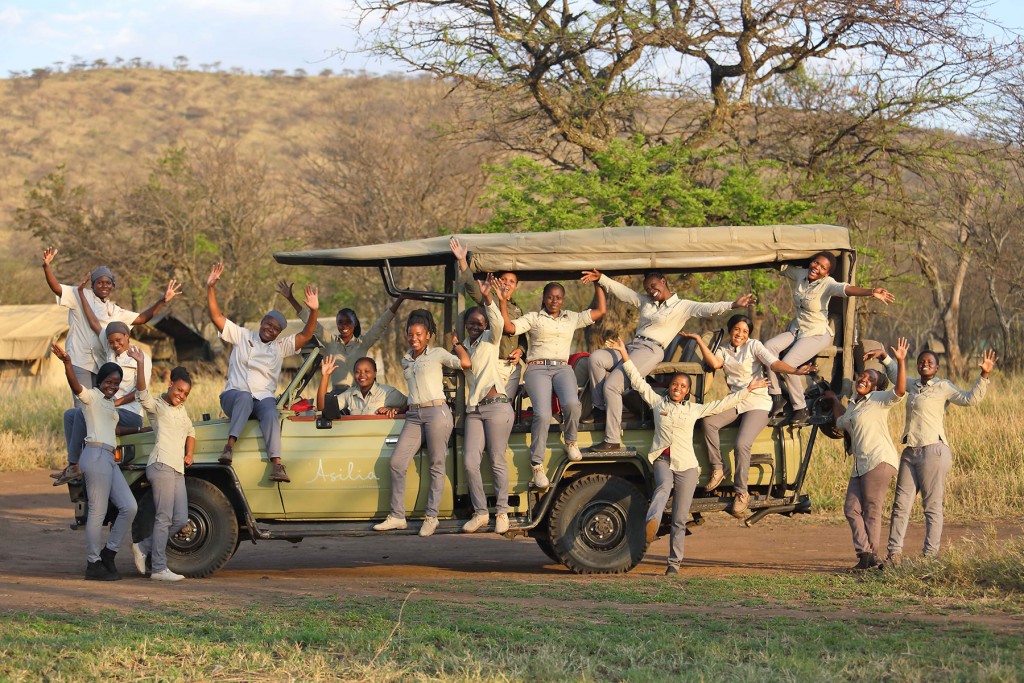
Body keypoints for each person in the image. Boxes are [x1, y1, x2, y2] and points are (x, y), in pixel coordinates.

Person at [604, 338, 766, 576]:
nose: (677, 388)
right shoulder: (658, 402)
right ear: (669, 387)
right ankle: (653, 522)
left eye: (682, 386)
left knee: (680, 518)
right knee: (662, 487)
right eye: (674, 385)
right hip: (663, 460)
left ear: (687, 391)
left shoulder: (694, 409)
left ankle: (674, 564)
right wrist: (624, 355)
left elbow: (722, 403)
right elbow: (639, 383)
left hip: (687, 467)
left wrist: (747, 390)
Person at [582, 269, 755, 452]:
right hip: (633, 346)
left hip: (651, 350)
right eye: (647, 288)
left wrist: (734, 304)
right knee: (596, 358)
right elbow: (624, 292)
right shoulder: (646, 302)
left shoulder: (682, 306)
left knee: (612, 385)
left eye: (654, 285)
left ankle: (612, 439)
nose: (650, 290)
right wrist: (601, 278)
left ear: (664, 281)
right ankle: (600, 410)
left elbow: (708, 308)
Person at [864, 346, 997, 563]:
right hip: (910, 452)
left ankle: (929, 557)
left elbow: (969, 399)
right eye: (921, 361)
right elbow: (897, 376)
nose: (925, 364)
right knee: (900, 505)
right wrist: (885, 357)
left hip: (933, 451)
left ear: (936, 367)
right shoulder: (914, 386)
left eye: (930, 362)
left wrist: (984, 375)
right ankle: (894, 555)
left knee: (931, 506)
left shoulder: (943, 386)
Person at [683, 315, 816, 515]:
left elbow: (774, 363)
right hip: (736, 399)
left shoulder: (754, 345)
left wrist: (795, 371)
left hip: (758, 401)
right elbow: (715, 363)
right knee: (708, 423)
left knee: (742, 444)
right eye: (737, 329)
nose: (740, 334)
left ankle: (741, 493)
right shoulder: (724, 349)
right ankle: (718, 468)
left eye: (745, 331)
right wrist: (699, 340)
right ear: (730, 330)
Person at [206, 262, 320, 483]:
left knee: (270, 408)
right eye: (268, 324)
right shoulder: (242, 335)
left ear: (279, 333)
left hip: (261, 400)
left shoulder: (279, 347)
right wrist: (210, 287)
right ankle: (229, 447)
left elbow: (307, 334)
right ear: (262, 322)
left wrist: (314, 311)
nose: (271, 329)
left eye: (276, 328)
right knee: (244, 397)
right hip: (234, 396)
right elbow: (216, 316)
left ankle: (277, 465)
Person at [499, 278, 607, 487]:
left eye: (558, 297)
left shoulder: (571, 318)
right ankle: (537, 464)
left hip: (562, 367)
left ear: (563, 299)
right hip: (537, 367)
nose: (554, 301)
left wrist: (598, 283)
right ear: (544, 298)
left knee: (572, 405)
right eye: (550, 297)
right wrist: (503, 302)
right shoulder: (533, 318)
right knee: (543, 413)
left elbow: (600, 310)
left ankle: (571, 441)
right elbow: (510, 328)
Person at [765, 252, 895, 424]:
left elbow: (846, 289)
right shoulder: (802, 274)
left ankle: (800, 407)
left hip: (816, 333)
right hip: (797, 329)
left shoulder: (828, 284)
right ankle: (776, 396)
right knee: (767, 348)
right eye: (816, 263)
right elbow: (782, 268)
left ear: (827, 273)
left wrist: (871, 292)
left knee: (788, 364)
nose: (816, 268)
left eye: (822, 268)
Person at [373, 310, 472, 537]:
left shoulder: (437, 353)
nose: (414, 338)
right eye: (410, 334)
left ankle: (432, 516)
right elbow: (413, 393)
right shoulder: (406, 359)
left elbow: (465, 363)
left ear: (428, 335)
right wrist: (399, 408)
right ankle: (397, 516)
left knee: (436, 465)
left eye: (419, 334)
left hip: (437, 412)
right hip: (414, 415)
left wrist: (456, 343)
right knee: (397, 462)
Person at [41, 247, 180, 404]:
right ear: (92, 284)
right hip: (80, 360)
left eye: (108, 282)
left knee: (99, 406)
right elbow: (57, 288)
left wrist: (162, 300)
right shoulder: (80, 294)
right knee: (83, 405)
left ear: (112, 285)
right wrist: (47, 267)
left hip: (101, 365)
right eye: (99, 282)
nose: (104, 286)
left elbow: (141, 318)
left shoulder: (114, 310)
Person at [51, 342, 137, 581]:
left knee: (130, 507)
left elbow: (116, 430)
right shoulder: (91, 397)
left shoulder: (109, 403)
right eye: (108, 381)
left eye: (116, 383)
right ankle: (93, 563)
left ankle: (108, 553)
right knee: (97, 513)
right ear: (100, 381)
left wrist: (144, 428)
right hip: (95, 455)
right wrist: (68, 363)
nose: (112, 386)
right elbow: (75, 385)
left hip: (109, 457)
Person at [821, 337, 909, 571]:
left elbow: (900, 390)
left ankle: (869, 557)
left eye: (871, 379)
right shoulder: (853, 404)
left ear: (876, 387)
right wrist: (833, 401)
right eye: (863, 375)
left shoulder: (879, 400)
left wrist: (898, 362)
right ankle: (867, 554)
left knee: (872, 509)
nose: (864, 378)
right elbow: (841, 422)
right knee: (851, 508)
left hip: (878, 460)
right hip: (861, 464)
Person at [53, 286, 153, 486]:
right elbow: (93, 322)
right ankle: (75, 462)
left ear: (127, 337)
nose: (115, 344)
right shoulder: (109, 352)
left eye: (118, 340)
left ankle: (75, 465)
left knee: (83, 412)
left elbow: (140, 393)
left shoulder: (140, 358)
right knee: (70, 415)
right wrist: (81, 294)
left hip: (129, 412)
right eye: (111, 341)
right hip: (110, 408)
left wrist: (115, 404)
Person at [277, 280, 406, 393]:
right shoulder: (331, 342)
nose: (344, 326)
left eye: (348, 322)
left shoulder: (363, 343)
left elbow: (381, 324)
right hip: (337, 395)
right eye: (340, 322)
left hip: (358, 394)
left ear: (354, 323)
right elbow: (311, 322)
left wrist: (399, 299)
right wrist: (290, 298)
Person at [129, 362, 195, 582]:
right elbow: (141, 394)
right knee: (164, 518)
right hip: (161, 465)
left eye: (185, 393)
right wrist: (139, 365)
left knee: (181, 518)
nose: (181, 395)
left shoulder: (181, 410)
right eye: (179, 390)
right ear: (170, 384)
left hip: (177, 469)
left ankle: (142, 546)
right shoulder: (157, 407)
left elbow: (191, 430)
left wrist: (190, 454)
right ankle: (158, 568)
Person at [459, 275, 515, 534]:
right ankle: (481, 512)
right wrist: (456, 345)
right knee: (470, 461)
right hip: (474, 410)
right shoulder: (466, 347)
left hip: (496, 406)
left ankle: (502, 511)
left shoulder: (491, 339)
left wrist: (489, 297)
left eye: (479, 323)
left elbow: (496, 319)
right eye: (471, 323)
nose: (475, 326)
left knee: (496, 458)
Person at [449, 238, 526, 399]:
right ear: (497, 281)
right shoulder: (488, 299)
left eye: (511, 281)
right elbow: (470, 284)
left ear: (516, 286)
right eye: (504, 279)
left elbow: (522, 338)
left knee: (506, 406)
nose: (507, 283)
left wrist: (520, 351)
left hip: (511, 366)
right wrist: (462, 260)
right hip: (492, 363)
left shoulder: (518, 309)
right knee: (492, 403)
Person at [316, 355, 406, 418]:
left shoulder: (388, 392)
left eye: (367, 371)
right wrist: (325, 376)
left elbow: (410, 404)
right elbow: (323, 407)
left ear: (375, 373)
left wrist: (398, 410)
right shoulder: (349, 394)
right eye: (357, 372)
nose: (362, 375)